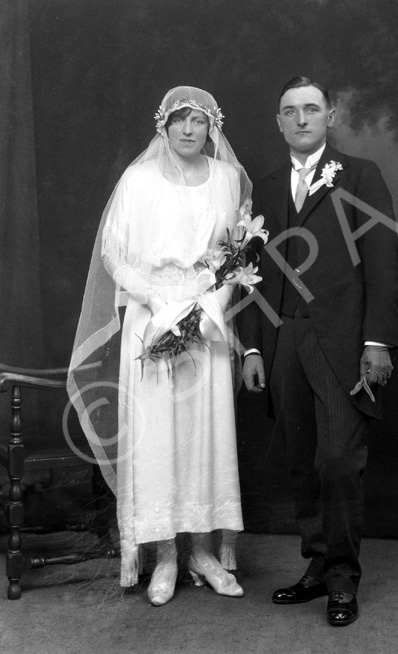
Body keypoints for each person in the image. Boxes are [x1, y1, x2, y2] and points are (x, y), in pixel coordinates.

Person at [67, 86, 252, 606]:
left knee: (203, 438)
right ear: (164, 127)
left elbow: (235, 255)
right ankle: (166, 557)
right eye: (180, 121)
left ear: (212, 126)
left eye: (199, 121)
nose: (189, 130)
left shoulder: (229, 179)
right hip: (151, 321)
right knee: (158, 441)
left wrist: (205, 307)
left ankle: (203, 552)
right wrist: (155, 301)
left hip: (205, 321)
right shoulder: (139, 180)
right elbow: (115, 253)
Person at [239, 76, 398, 626]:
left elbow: (383, 262)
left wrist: (376, 341)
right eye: (291, 111)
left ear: (330, 115)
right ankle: (315, 565)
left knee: (337, 462)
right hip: (283, 339)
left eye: (312, 109)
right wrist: (253, 350)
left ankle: (342, 579)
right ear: (279, 122)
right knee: (301, 462)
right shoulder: (263, 188)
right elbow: (255, 277)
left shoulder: (360, 175)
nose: (302, 118)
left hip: (342, 341)